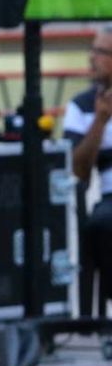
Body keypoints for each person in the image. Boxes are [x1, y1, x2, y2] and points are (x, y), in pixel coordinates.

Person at [62, 26, 112, 319]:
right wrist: (100, 120)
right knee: (103, 224)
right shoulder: (81, 106)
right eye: (92, 50)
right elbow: (78, 171)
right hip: (110, 198)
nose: (92, 58)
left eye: (101, 52)